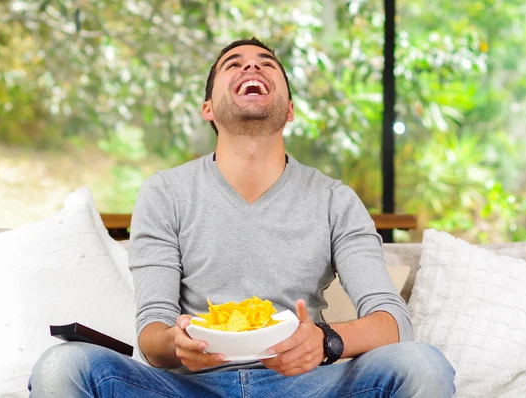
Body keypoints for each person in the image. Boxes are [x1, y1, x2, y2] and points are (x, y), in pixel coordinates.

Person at [29, 37, 455, 397]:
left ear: (289, 110)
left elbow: (393, 321)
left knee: (422, 363)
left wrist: (327, 342)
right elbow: (152, 335)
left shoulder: (335, 199)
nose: (252, 65)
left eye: (266, 63)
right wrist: (177, 344)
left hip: (308, 384)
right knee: (62, 366)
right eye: (234, 64)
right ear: (208, 109)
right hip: (191, 387)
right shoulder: (165, 192)